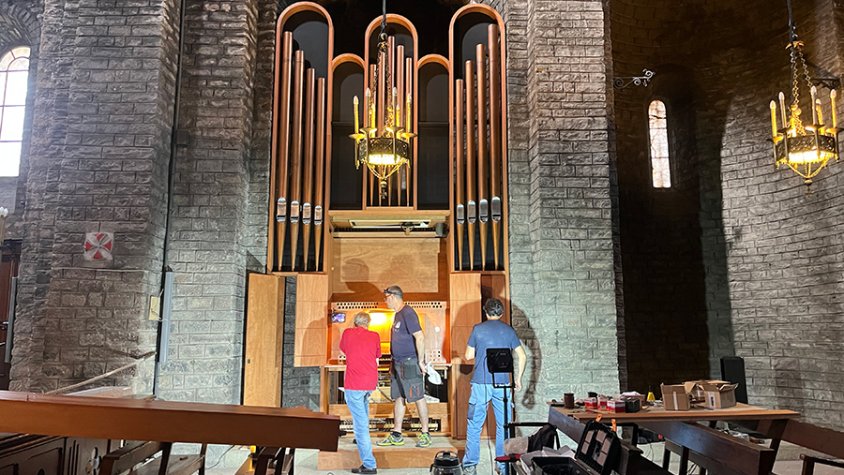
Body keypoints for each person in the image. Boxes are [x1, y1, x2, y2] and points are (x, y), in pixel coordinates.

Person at [461, 298, 526, 475]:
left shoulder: (478, 329)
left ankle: (470, 465)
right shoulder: (509, 331)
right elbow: (522, 355)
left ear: (486, 312)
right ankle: (503, 466)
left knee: (475, 424)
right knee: (503, 426)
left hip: (481, 383)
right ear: (502, 313)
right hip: (503, 384)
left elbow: (468, 355)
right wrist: (518, 379)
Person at [376, 285, 432, 448]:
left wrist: (420, 361)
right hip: (397, 362)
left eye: (386, 298)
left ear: (393, 296)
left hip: (409, 362)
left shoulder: (408, 313)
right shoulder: (398, 315)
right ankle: (396, 433)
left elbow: (419, 337)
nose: (385, 301)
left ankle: (425, 433)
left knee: (417, 397)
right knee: (399, 397)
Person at [340, 312, 382, 474]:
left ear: (354, 323)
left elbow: (344, 349)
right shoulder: (375, 335)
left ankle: (369, 464)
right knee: (362, 412)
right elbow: (377, 355)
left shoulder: (348, 333)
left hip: (354, 383)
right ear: (368, 323)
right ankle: (361, 440)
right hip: (369, 382)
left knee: (360, 426)